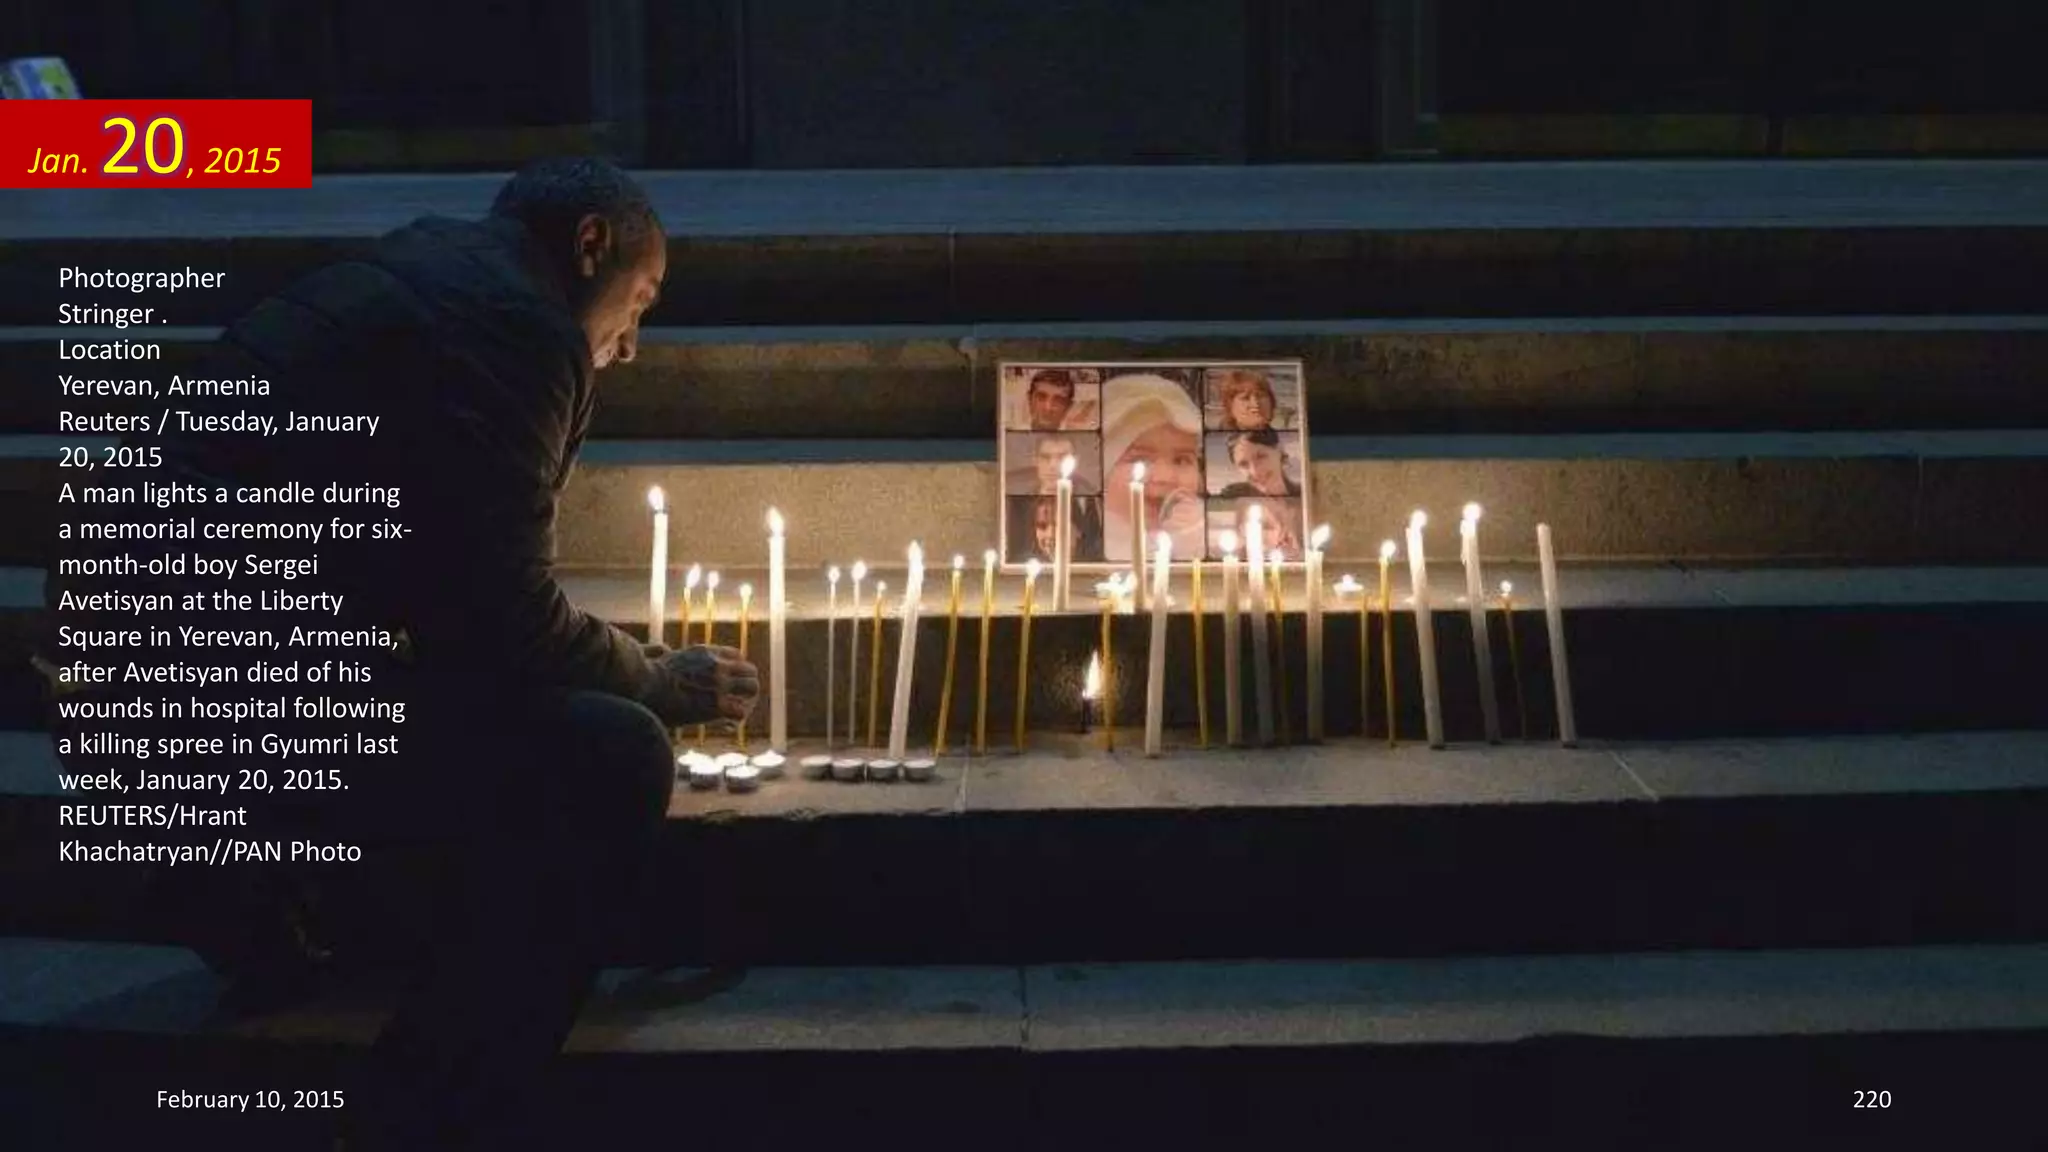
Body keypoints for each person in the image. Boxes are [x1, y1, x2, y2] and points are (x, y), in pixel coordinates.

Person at [44, 157, 757, 1150]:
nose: (630, 346)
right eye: (639, 301)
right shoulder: (520, 324)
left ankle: (258, 918)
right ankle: (430, 1107)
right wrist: (653, 676)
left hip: (117, 660)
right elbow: (500, 618)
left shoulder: (406, 273)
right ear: (590, 245)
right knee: (612, 752)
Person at [1101, 373, 1207, 562]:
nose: (1164, 477)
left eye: (1181, 460)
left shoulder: (1205, 529)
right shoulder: (1088, 540)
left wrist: (1196, 544)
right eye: (1140, 460)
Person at [1216, 429, 1302, 498]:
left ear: (1279, 450)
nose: (1255, 471)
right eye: (1243, 464)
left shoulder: (1306, 492)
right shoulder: (1232, 495)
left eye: (1261, 456)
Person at [1213, 368, 1280, 431]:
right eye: (1245, 398)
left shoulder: (1285, 441)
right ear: (1229, 406)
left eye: (1260, 396)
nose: (1255, 404)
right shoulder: (1212, 441)